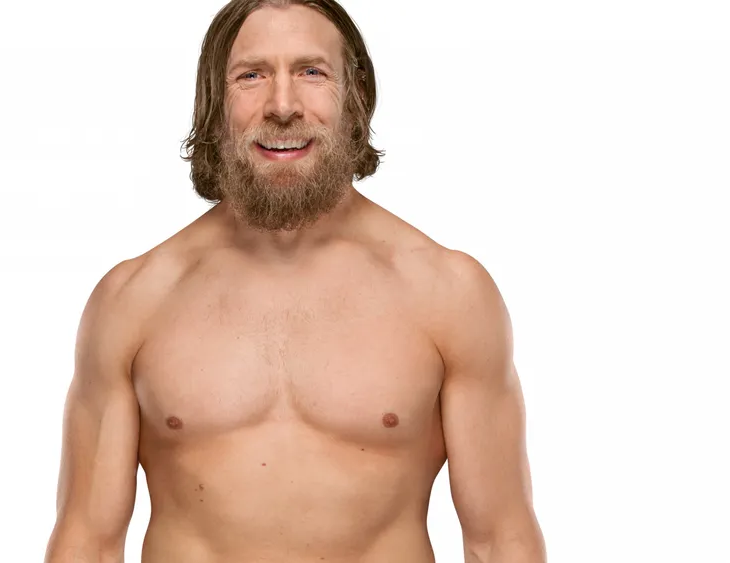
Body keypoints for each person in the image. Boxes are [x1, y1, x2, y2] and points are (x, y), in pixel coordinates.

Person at [44, 1, 546, 561]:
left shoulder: (447, 292)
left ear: (355, 94)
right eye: (251, 75)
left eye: (311, 71)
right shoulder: (133, 300)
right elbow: (87, 542)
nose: (282, 105)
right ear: (214, 101)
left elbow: (500, 539)